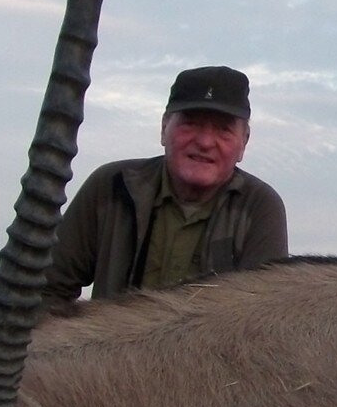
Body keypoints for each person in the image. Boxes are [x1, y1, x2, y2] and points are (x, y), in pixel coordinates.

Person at [45, 65, 288, 303]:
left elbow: (262, 322)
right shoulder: (111, 186)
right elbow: (48, 289)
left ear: (243, 142)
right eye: (190, 123)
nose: (204, 142)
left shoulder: (260, 208)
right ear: (164, 128)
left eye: (223, 130)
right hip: (111, 343)